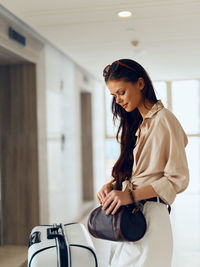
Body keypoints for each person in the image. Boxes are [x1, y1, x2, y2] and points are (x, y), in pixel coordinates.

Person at [96, 59, 189, 267]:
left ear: (140, 83)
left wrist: (129, 195)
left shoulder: (165, 120)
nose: (118, 100)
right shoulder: (137, 124)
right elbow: (136, 171)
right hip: (128, 219)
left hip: (152, 219)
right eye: (113, 96)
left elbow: (178, 179)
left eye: (121, 92)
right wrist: (112, 186)